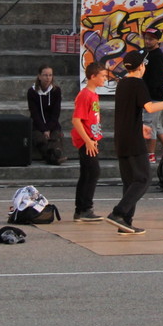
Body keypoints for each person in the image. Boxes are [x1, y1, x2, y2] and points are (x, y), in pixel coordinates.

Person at [106, 50, 163, 235]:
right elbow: (150, 107)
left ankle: (125, 222)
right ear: (141, 66)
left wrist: (140, 127)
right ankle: (118, 213)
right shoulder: (137, 83)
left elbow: (126, 113)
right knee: (143, 179)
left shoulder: (122, 83)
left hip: (122, 138)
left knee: (130, 181)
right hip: (133, 140)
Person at [70, 62, 108, 221]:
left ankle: (81, 209)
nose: (105, 79)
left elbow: (93, 119)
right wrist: (87, 140)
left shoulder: (93, 95)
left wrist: (95, 138)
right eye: (103, 76)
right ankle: (85, 208)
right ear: (93, 76)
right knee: (92, 172)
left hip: (91, 139)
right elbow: (76, 120)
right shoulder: (85, 95)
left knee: (87, 173)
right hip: (85, 140)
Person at [136, 27, 163, 162]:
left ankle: (150, 154)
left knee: (149, 125)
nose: (147, 41)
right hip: (148, 95)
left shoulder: (157, 56)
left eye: (151, 39)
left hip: (154, 96)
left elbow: (155, 80)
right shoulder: (144, 53)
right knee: (156, 124)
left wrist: (145, 96)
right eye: (146, 38)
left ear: (157, 40)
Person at [26, 64, 65, 165]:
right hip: (37, 124)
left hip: (52, 124)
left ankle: (53, 156)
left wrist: (48, 128)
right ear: (39, 76)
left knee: (55, 137)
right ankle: (54, 158)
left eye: (50, 75)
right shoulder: (32, 92)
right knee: (40, 139)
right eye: (45, 75)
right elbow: (34, 113)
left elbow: (56, 112)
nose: (48, 78)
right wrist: (44, 129)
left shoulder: (56, 91)